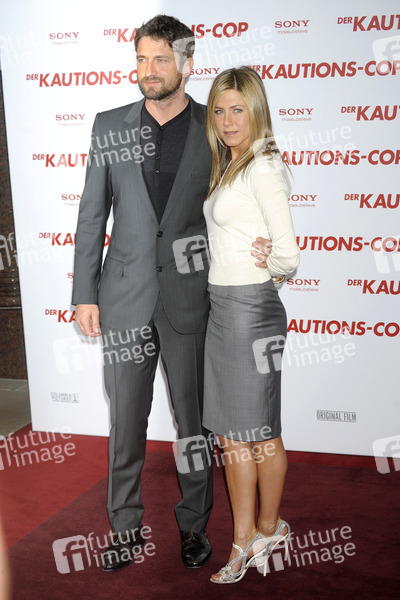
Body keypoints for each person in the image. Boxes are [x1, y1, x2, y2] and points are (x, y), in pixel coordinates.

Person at [72, 15, 271, 573]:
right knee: (125, 424)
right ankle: (124, 529)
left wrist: (265, 245)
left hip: (191, 301)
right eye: (142, 59)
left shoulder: (215, 126)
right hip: (123, 299)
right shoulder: (108, 125)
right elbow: (91, 216)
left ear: (187, 63)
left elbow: (238, 200)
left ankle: (193, 527)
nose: (149, 70)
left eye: (161, 59)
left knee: (194, 426)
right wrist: (84, 293)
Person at [202, 66, 300, 584]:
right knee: (230, 434)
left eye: (238, 109)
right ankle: (251, 534)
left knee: (258, 432)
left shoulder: (262, 164)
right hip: (223, 307)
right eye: (219, 110)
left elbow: (289, 254)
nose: (227, 120)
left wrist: (274, 265)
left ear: (256, 110)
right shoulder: (231, 164)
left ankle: (263, 530)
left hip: (249, 312)